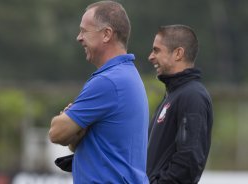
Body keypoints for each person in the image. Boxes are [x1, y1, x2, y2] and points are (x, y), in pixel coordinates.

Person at [49, 1, 149, 183]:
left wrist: (69, 121)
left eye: (84, 31)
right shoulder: (125, 74)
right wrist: (76, 130)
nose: (79, 38)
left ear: (106, 34)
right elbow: (74, 144)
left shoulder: (108, 81)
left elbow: (56, 132)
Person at [147, 24, 213, 184]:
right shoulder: (173, 95)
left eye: (156, 50)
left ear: (178, 53)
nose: (150, 57)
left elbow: (188, 161)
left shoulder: (192, 96)